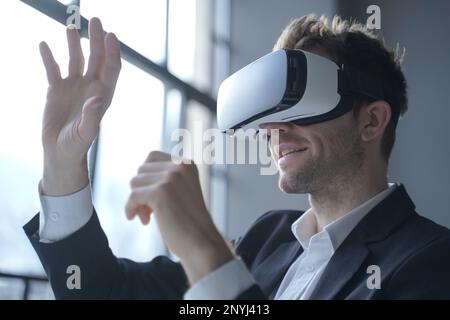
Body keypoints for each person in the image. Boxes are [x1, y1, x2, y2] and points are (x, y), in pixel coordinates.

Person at [24, 14, 450, 299]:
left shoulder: (431, 262)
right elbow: (104, 293)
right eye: (268, 112)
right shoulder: (268, 240)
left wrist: (206, 250)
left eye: (299, 104)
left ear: (371, 121)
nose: (272, 130)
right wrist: (63, 165)